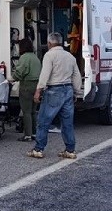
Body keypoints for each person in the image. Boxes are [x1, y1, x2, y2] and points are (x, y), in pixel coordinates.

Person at [28, 32, 81, 160]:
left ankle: (38, 149)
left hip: (54, 90)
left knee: (43, 121)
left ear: (49, 43)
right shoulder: (70, 56)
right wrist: (76, 92)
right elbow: (76, 76)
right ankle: (70, 150)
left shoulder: (49, 55)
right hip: (68, 89)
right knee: (67, 122)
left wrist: (38, 90)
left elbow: (45, 74)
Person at [11, 37, 41, 141]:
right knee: (33, 111)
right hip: (36, 85)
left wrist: (12, 78)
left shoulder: (24, 57)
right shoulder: (35, 57)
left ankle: (27, 134)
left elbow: (20, 72)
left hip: (27, 85)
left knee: (26, 111)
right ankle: (34, 133)